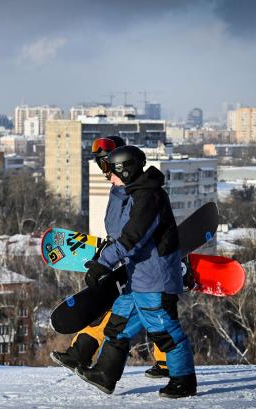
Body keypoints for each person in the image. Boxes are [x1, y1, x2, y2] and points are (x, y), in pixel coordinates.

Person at [75, 145, 197, 398]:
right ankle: (105, 374)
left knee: (164, 331)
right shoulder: (135, 192)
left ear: (127, 170)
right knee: (118, 324)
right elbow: (119, 230)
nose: (109, 175)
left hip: (155, 279)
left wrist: (103, 264)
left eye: (112, 170)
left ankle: (184, 380)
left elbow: (133, 237)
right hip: (139, 278)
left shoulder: (149, 198)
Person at [50, 137, 170, 379]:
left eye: (108, 166)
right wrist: (106, 250)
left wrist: (111, 256)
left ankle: (168, 365)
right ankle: (80, 353)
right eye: (102, 166)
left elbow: (136, 230)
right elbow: (119, 227)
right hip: (125, 257)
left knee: (145, 312)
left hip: (140, 260)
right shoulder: (118, 188)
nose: (106, 172)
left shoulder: (135, 190)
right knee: (115, 309)